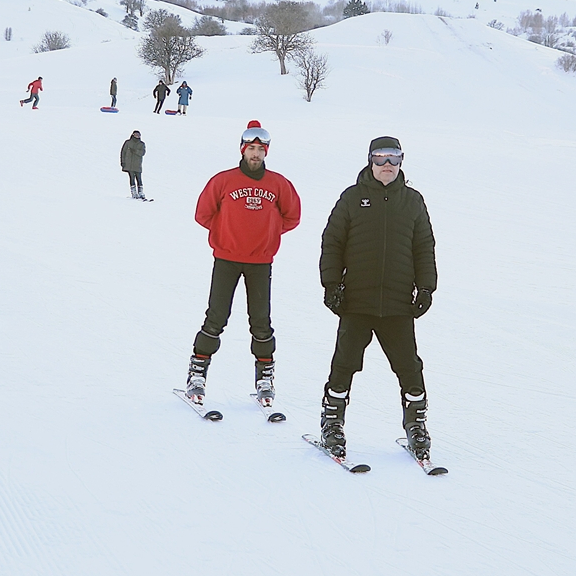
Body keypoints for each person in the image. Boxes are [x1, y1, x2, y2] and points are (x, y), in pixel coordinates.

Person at [317, 137, 437, 460]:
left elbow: (424, 246)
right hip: (356, 301)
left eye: (394, 158)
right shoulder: (353, 198)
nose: (387, 165)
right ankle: (332, 422)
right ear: (370, 160)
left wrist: (426, 287)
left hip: (398, 303)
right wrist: (331, 285)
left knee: (409, 367)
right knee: (344, 364)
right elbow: (332, 241)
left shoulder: (412, 202)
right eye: (381, 158)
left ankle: (416, 424)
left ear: (401, 162)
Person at [184, 121, 301, 407]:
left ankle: (264, 378)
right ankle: (198, 371)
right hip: (226, 259)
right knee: (216, 317)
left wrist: (268, 231)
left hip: (260, 262)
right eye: (252, 148)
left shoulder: (278, 183)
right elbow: (203, 214)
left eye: (261, 149)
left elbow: (292, 216)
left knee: (261, 322)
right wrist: (226, 233)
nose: (256, 154)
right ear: (242, 149)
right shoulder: (223, 181)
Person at [121, 130, 146, 200]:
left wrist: (136, 151)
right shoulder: (128, 143)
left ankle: (141, 192)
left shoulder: (141, 144)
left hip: (137, 164)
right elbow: (123, 152)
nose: (137, 136)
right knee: (132, 178)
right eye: (136, 134)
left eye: (138, 135)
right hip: (129, 164)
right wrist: (123, 162)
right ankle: (134, 192)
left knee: (139, 178)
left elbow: (143, 153)